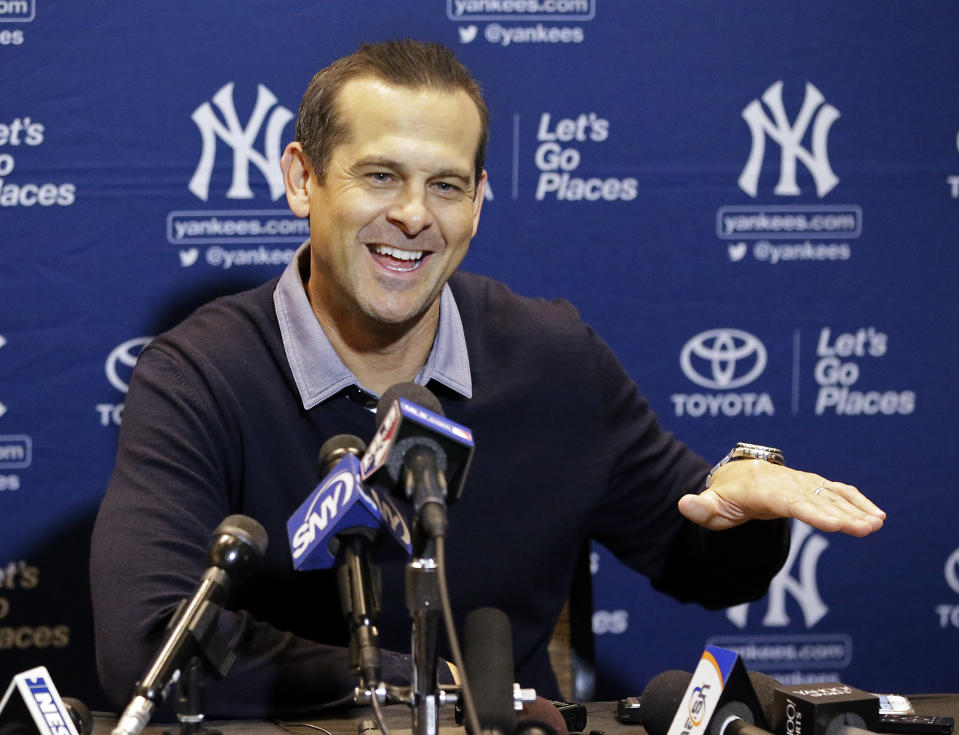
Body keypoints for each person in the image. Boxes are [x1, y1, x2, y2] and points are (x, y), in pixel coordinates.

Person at [90, 39, 884, 719]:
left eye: (446, 185)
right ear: (304, 180)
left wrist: (746, 505)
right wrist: (422, 686)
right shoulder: (199, 374)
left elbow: (700, 564)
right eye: (379, 177)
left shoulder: (552, 356)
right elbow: (148, 638)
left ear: (479, 202)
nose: (413, 216)